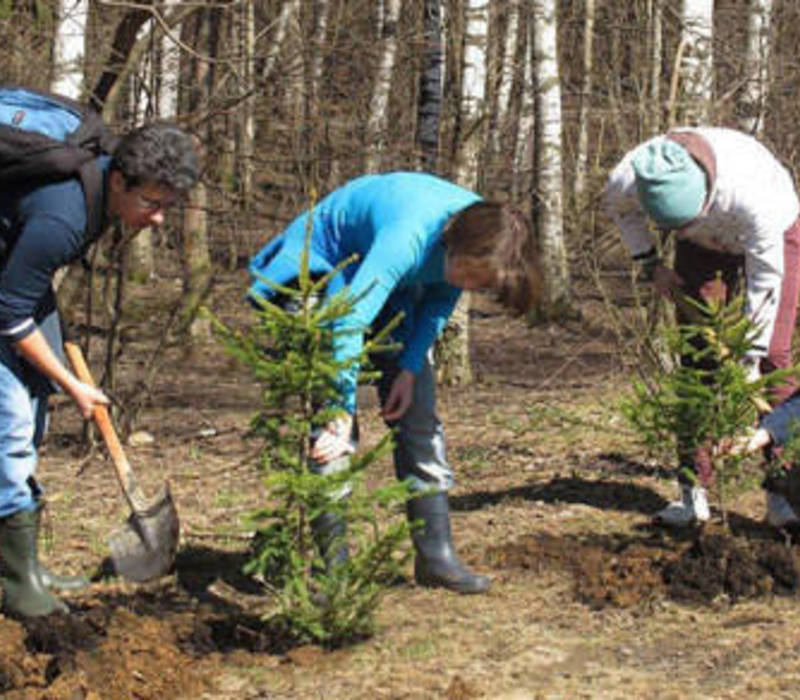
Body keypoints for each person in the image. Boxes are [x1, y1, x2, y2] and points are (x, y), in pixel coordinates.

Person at [248, 171, 540, 595]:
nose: (473, 288)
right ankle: (334, 572)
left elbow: (441, 298)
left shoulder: (489, 232)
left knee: (420, 415)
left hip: (391, 289)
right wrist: (339, 410)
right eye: (473, 275)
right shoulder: (410, 235)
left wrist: (406, 369)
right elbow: (348, 321)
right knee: (332, 434)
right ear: (456, 247)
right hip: (325, 269)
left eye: (483, 283)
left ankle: (436, 557)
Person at [0, 122, 199, 617]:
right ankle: (16, 581)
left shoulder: (99, 184)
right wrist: (74, 385)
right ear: (118, 183)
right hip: (7, 298)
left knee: (32, 408)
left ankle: (27, 564)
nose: (157, 219)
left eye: (167, 207)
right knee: (11, 423)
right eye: (152, 204)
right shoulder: (63, 218)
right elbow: (9, 312)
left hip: (12, 277)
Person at [603, 127, 800, 527]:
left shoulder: (755, 194)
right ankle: (694, 492)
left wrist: (749, 359)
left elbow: (765, 285)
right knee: (698, 354)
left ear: (707, 193)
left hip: (775, 236)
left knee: (774, 358)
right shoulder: (629, 178)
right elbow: (623, 213)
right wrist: (650, 263)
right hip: (702, 248)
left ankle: (783, 494)